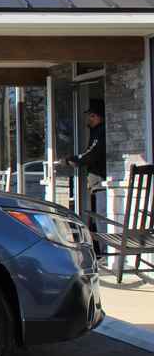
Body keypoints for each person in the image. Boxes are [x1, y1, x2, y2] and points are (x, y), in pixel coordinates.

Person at [64, 100, 106, 253]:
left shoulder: (101, 131)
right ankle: (100, 251)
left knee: (101, 218)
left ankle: (104, 253)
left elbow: (92, 154)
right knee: (96, 217)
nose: (88, 119)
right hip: (96, 184)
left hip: (102, 183)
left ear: (97, 116)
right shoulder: (96, 131)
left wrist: (74, 159)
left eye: (91, 116)